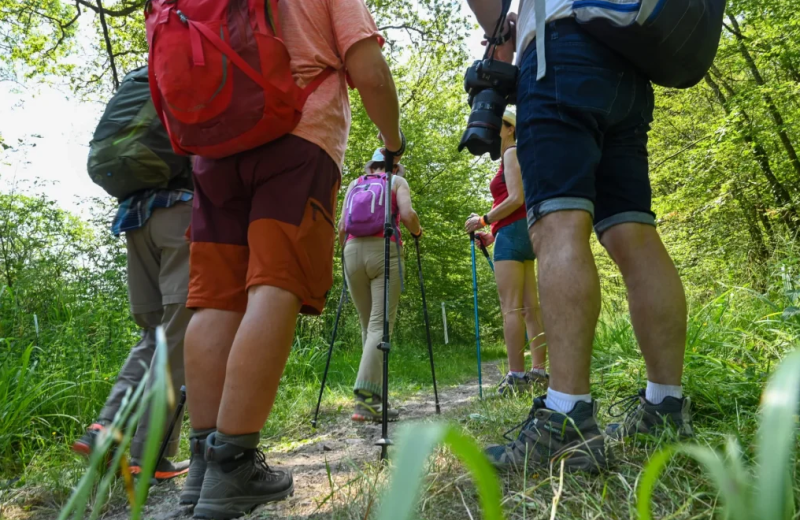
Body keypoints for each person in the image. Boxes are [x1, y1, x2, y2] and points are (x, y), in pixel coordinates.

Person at [178, 2, 405, 518]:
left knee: (214, 299)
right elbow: (368, 70)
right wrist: (393, 141)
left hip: (214, 147)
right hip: (296, 137)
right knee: (274, 285)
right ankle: (231, 464)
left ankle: (202, 467)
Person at [466, 0, 693, 472]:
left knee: (559, 226)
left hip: (559, 49)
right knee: (633, 229)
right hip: (628, 55)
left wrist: (499, 33)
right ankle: (666, 407)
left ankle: (566, 418)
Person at [71, 188, 193, 481]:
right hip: (182, 214)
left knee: (155, 334)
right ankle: (148, 457)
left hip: (136, 218)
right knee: (176, 338)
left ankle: (105, 427)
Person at [464, 110, 547, 397]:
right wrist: (491, 234)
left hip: (512, 236)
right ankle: (539, 372)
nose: (488, 129)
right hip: (521, 232)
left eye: (494, 125)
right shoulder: (518, 154)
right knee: (530, 308)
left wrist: (483, 220)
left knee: (511, 308)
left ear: (509, 128)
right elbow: (518, 204)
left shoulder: (511, 153)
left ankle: (516, 377)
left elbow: (515, 198)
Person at [338, 150, 422, 422]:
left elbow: (341, 226)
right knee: (379, 327)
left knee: (368, 327)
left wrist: (346, 252)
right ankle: (366, 401)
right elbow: (408, 215)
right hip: (384, 250)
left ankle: (376, 399)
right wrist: (418, 232)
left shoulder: (354, 184)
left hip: (351, 252)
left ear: (371, 165)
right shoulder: (396, 182)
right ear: (394, 166)